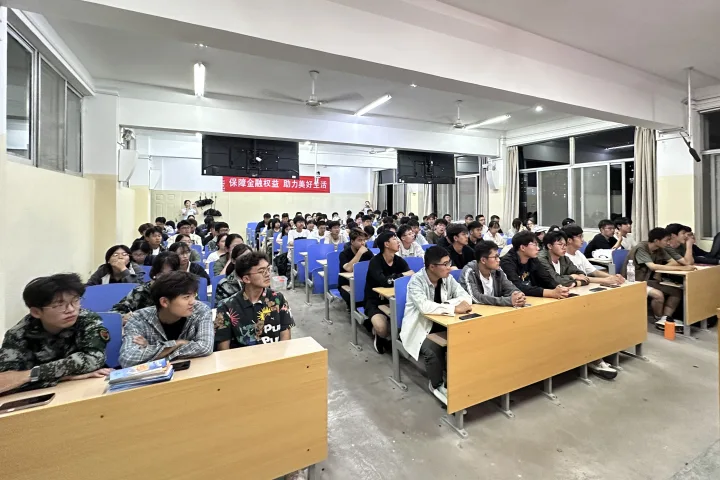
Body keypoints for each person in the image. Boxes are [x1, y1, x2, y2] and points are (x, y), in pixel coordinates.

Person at [0, 273, 111, 394]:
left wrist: (34, 374)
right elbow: (6, 381)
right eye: (59, 305)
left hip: (90, 386)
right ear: (36, 312)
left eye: (75, 301)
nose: (71, 310)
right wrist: (66, 377)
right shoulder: (18, 335)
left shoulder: (87, 319)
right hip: (42, 394)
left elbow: (94, 359)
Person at [400, 246, 472, 404]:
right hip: (421, 328)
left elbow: (466, 297)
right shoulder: (416, 281)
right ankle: (437, 385)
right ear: (432, 267)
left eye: (449, 263)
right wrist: (453, 308)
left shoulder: (447, 278)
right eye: (445, 264)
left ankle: (465, 379)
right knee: (433, 349)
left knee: (468, 338)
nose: (449, 267)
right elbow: (424, 307)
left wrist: (447, 305)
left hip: (445, 322)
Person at [119, 271, 213, 368]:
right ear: (164, 302)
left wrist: (152, 349)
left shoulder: (200, 310)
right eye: (186, 297)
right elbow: (128, 359)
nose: (193, 302)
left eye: (194, 295)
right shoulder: (138, 319)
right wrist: (178, 343)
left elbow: (205, 347)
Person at [214, 252, 294, 349]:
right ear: (246, 279)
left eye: (268, 269)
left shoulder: (278, 299)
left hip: (275, 355)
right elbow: (223, 349)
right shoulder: (226, 306)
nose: (268, 274)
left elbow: (285, 338)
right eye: (262, 271)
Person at [621, 227, 695, 331]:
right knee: (658, 295)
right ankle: (659, 318)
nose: (668, 243)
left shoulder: (659, 249)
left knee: (676, 292)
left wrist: (659, 272)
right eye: (666, 240)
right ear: (657, 241)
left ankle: (666, 317)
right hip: (633, 281)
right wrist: (682, 268)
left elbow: (673, 261)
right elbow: (652, 266)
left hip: (646, 280)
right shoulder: (641, 248)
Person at [364, 232, 412, 354]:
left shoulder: (399, 261)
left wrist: (393, 279)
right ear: (386, 244)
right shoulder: (375, 261)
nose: (398, 242)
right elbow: (384, 281)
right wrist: (401, 275)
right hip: (374, 300)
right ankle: (377, 333)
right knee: (382, 329)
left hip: (396, 299)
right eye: (395, 239)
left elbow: (410, 276)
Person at [111, 252, 181, 324]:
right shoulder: (142, 291)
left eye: (172, 274)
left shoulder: (180, 290)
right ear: (155, 274)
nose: (167, 278)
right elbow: (116, 311)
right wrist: (125, 317)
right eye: (162, 274)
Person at [500, 231, 569, 299]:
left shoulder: (533, 259)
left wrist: (559, 288)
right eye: (535, 245)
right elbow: (517, 286)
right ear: (522, 247)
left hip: (532, 297)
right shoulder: (507, 262)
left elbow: (546, 278)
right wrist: (551, 293)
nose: (538, 248)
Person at [460, 240, 524, 306]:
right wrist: (508, 301)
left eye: (498, 256)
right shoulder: (469, 271)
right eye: (495, 257)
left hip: (495, 310)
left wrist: (519, 297)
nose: (498, 260)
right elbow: (475, 298)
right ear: (483, 260)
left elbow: (510, 288)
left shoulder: (498, 270)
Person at [338, 229, 374, 308]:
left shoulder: (368, 253)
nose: (363, 243)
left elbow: (375, 265)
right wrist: (359, 253)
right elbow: (349, 268)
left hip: (364, 283)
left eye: (364, 240)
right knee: (357, 301)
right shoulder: (344, 254)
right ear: (352, 241)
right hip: (347, 285)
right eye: (360, 240)